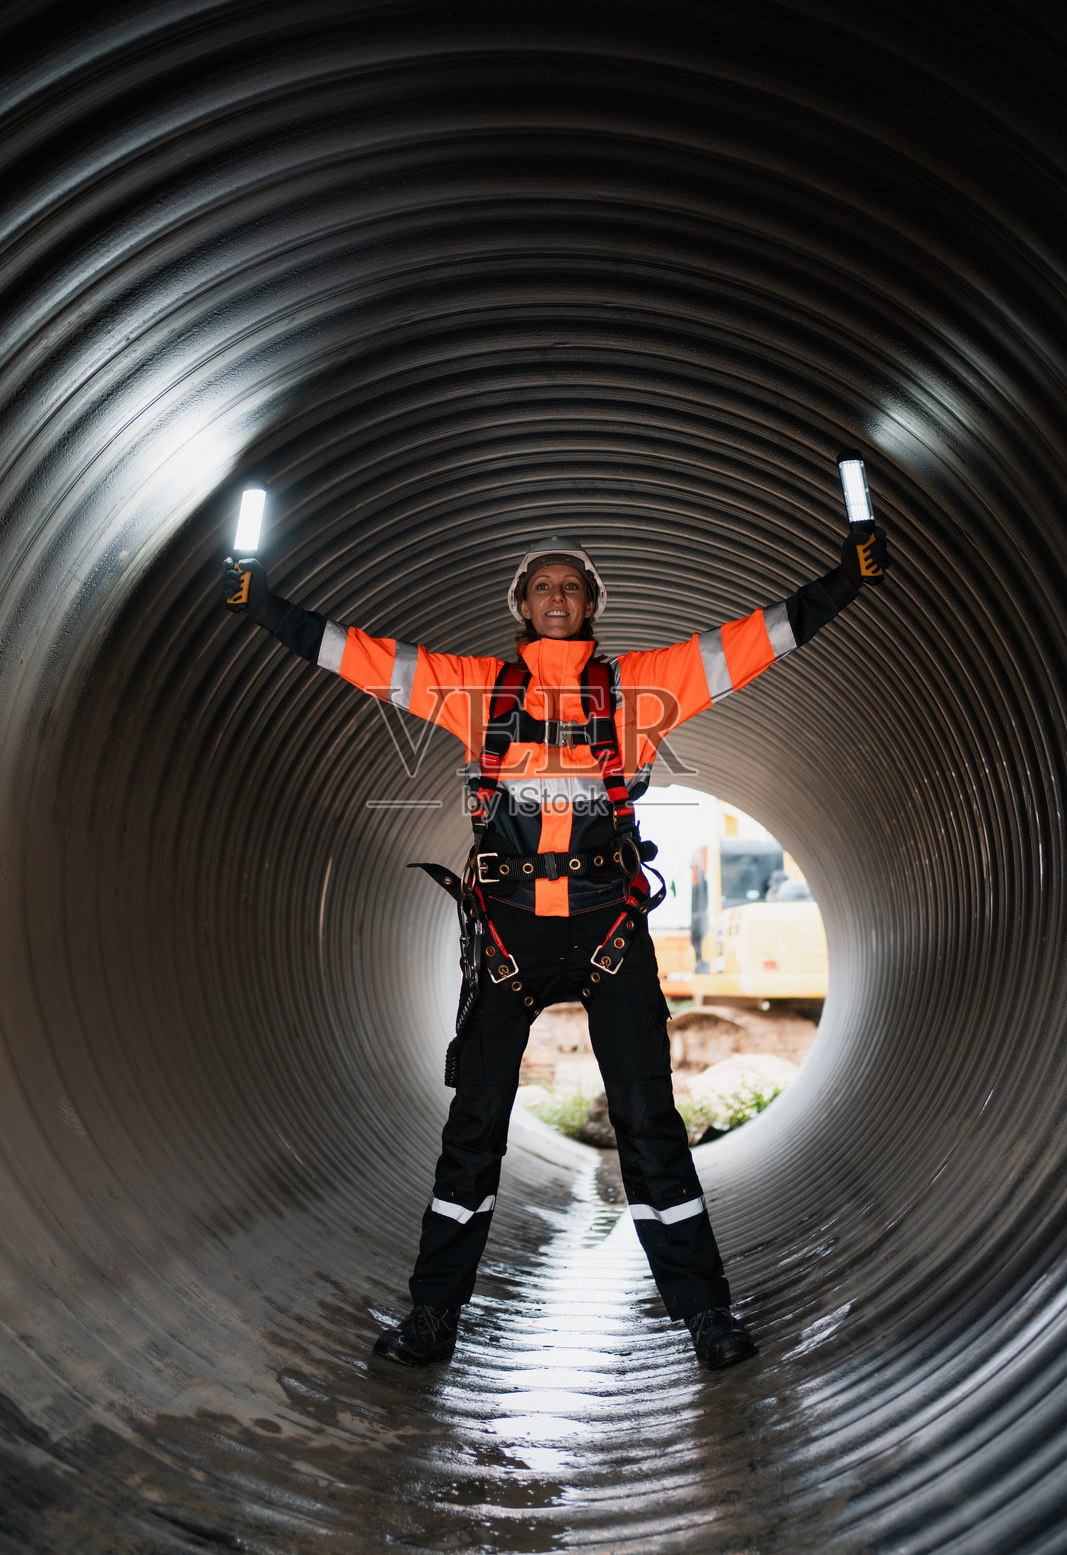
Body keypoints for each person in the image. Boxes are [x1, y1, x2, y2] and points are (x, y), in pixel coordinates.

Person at [222, 519, 888, 1370]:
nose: (558, 597)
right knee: (474, 1126)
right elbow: (361, 656)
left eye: (572, 585)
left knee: (650, 1123)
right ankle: (432, 1316)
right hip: (507, 934)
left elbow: (751, 642)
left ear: (591, 605)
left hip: (608, 924)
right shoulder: (471, 689)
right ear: (522, 605)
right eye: (543, 585)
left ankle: (703, 1315)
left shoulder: (642, 684)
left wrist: (842, 581)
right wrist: (262, 607)